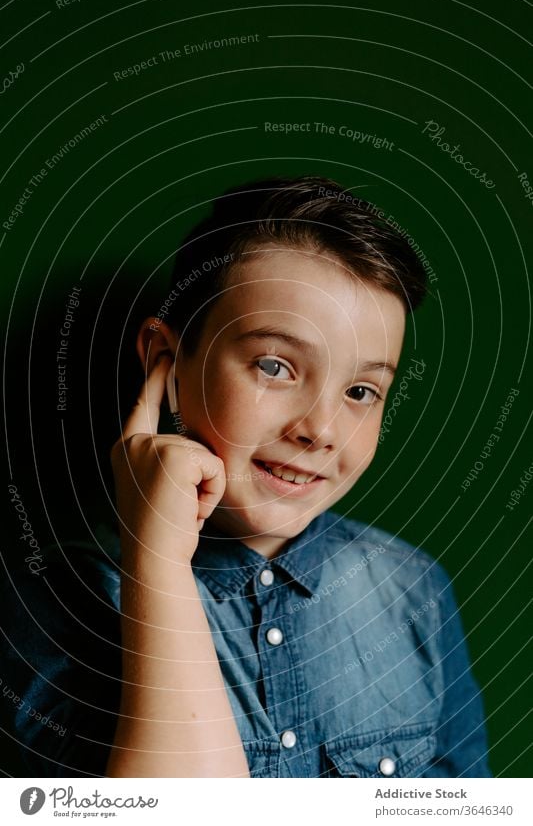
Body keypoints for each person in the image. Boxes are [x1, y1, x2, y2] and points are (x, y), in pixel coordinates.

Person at [0, 176, 490, 778]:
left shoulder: (415, 591)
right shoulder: (55, 602)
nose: (322, 428)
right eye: (275, 366)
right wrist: (157, 558)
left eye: (361, 391)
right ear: (168, 363)